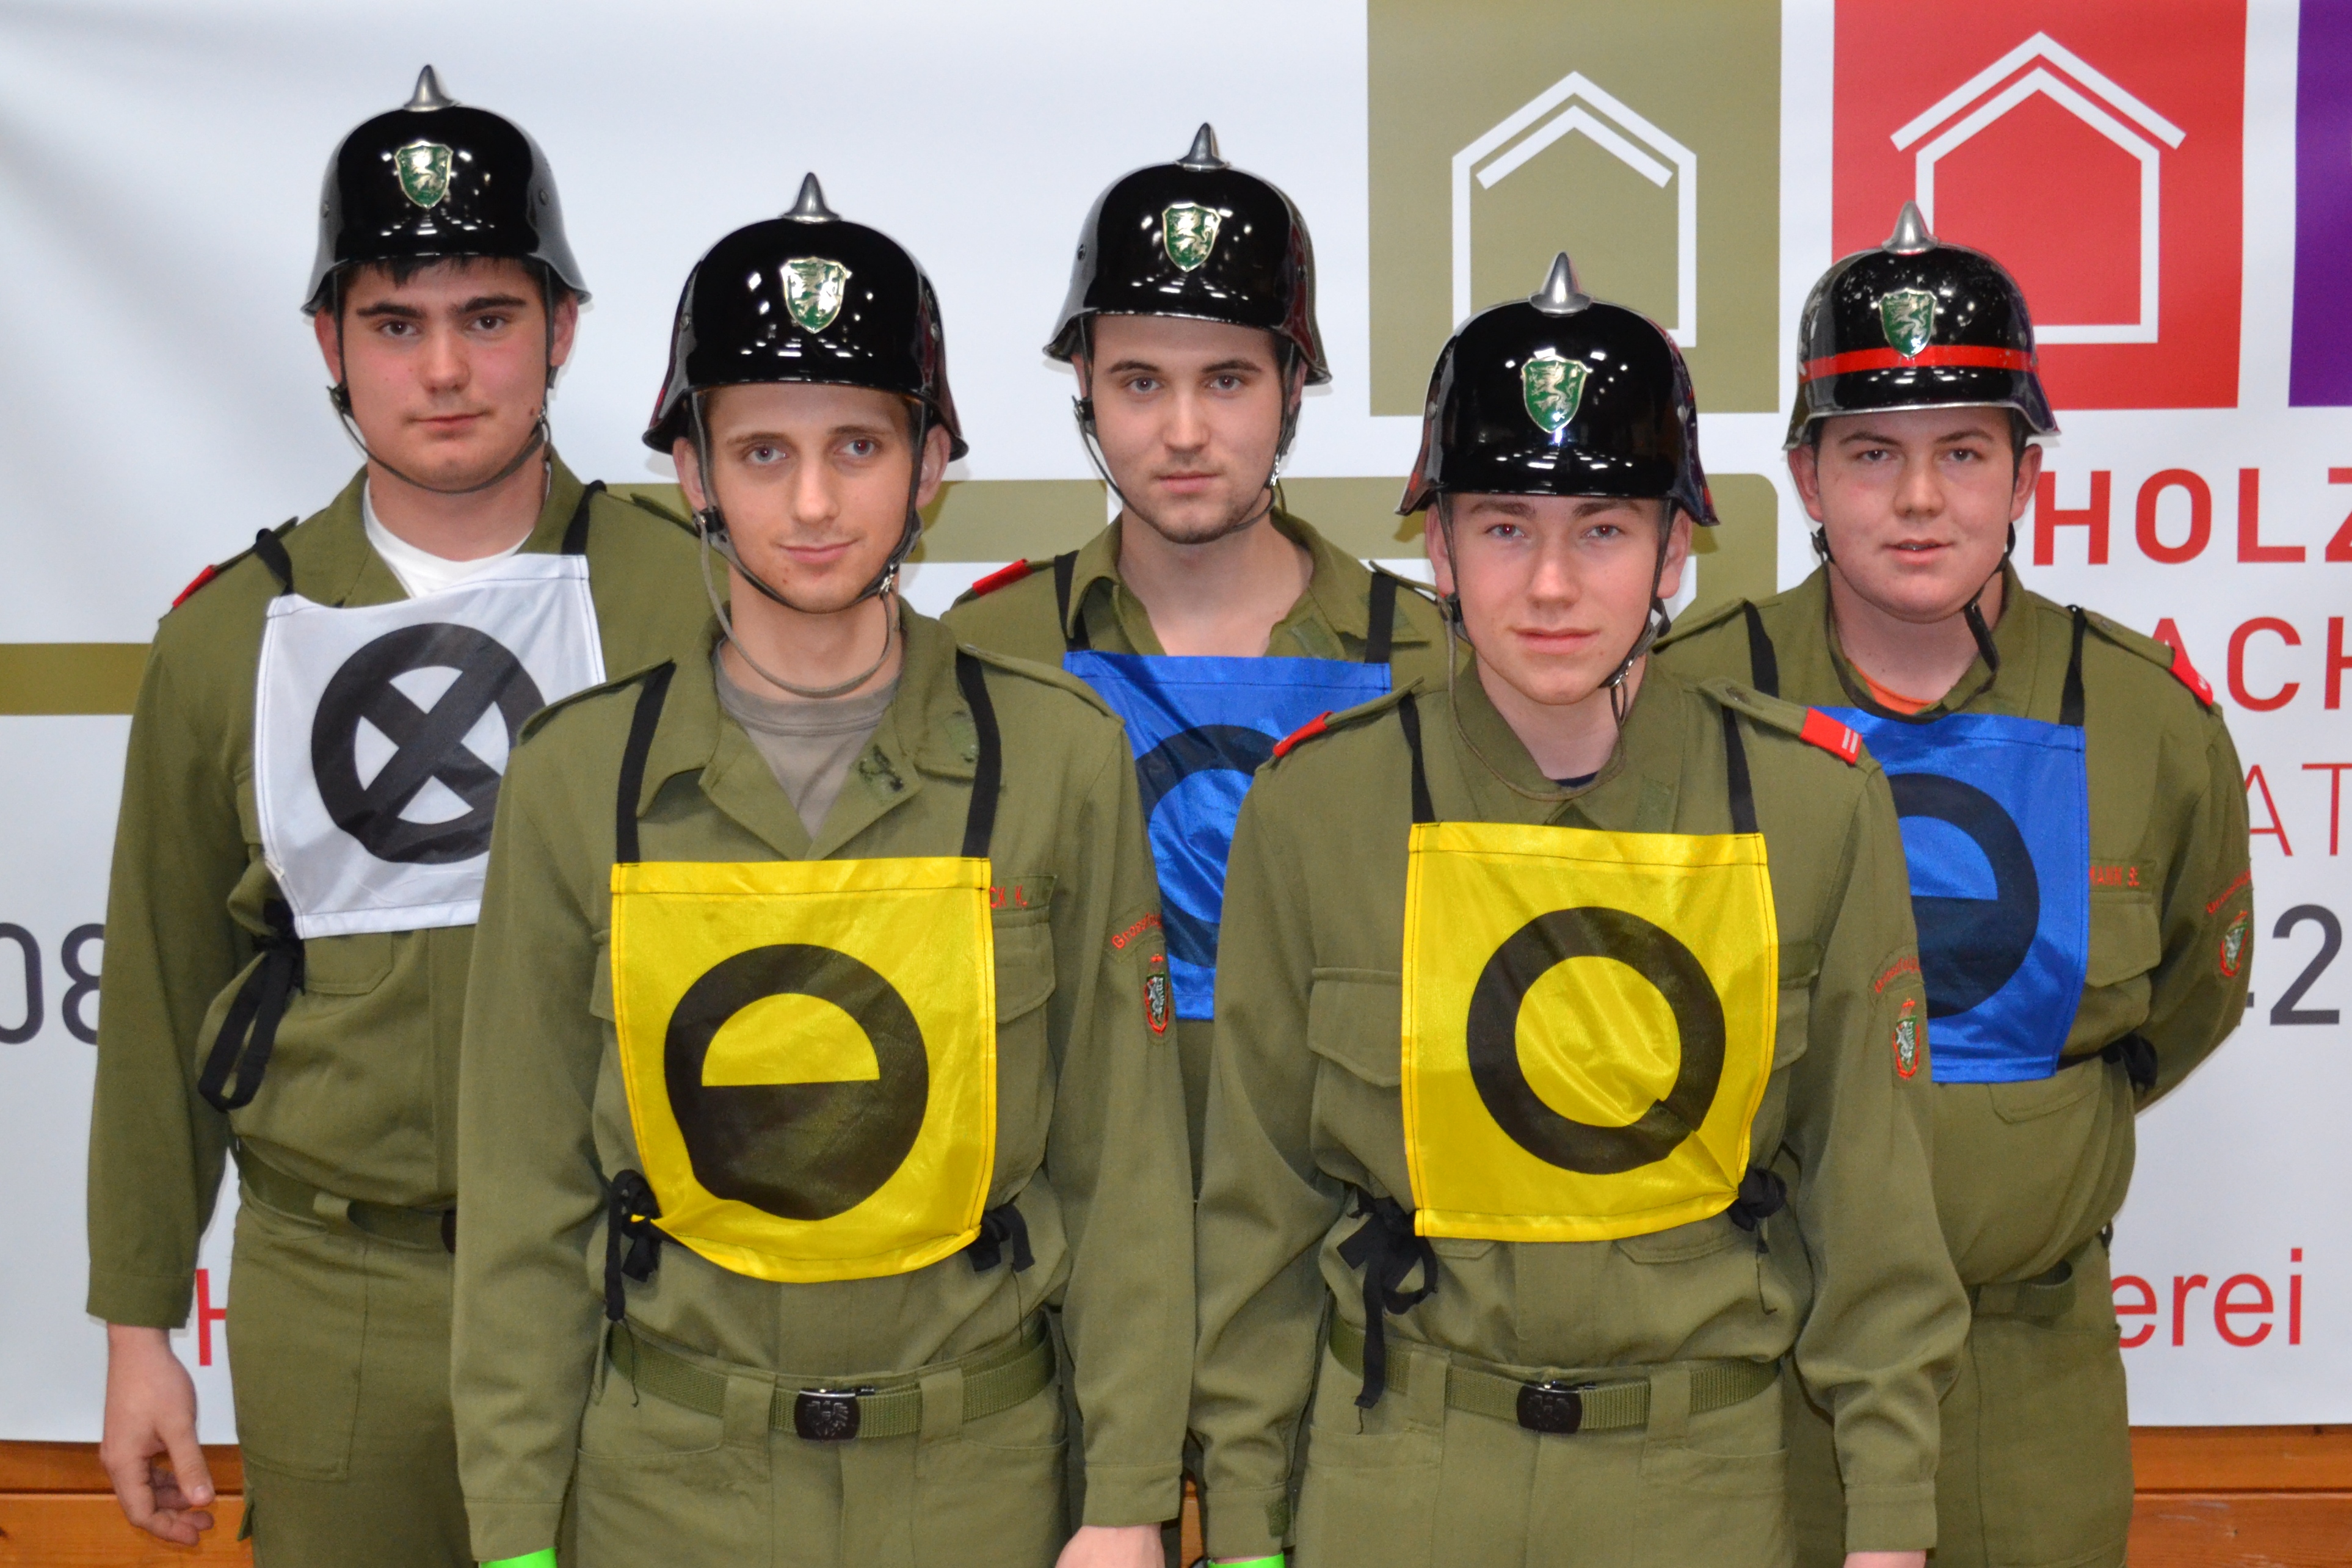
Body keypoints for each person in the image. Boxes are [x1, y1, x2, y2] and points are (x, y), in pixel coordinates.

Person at [449, 179, 1191, 1568]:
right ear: (694, 473)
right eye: (761, 450)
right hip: (669, 1491)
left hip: (978, 1485)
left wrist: (1127, 1499)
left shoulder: (1058, 758)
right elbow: (522, 1199)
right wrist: (512, 1534)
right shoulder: (578, 780)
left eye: (858, 445)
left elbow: (1123, 1175)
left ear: (930, 465)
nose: (810, 501)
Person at [1189, 254, 1969, 1568]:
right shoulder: (1319, 809)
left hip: (1703, 1485)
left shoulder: (1811, 808)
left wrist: (1889, 1525)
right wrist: (1250, 1530)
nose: (1551, 587)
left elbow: (1874, 1210)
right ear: (1438, 545)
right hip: (1401, 1476)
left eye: (1603, 530)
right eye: (1505, 528)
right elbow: (1259, 1213)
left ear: (1676, 549)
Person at [84, 67, 712, 1564]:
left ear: (563, 329)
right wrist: (138, 1331)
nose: (444, 370)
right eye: (394, 323)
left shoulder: (697, 606)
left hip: (637, 1279)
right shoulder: (226, 639)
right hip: (337, 1294)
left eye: (488, 317)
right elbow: (162, 999)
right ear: (330, 343)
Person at [1655, 204, 2254, 1568]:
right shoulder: (1692, 703)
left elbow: (2185, 1005)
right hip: (1753, 1361)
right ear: (1806, 477)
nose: (1919, 500)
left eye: (1964, 453)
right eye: (1872, 453)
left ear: (2026, 475)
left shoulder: (2148, 723)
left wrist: (2014, 1146)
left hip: (2026, 1381)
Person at [945, 126, 1450, 1167]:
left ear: (1293, 386)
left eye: (1226, 381)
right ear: (1083, 381)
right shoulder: (987, 650)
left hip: (1341, 1225)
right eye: (1140, 383)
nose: (1183, 432)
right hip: (1073, 1216)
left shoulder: (1431, 660)